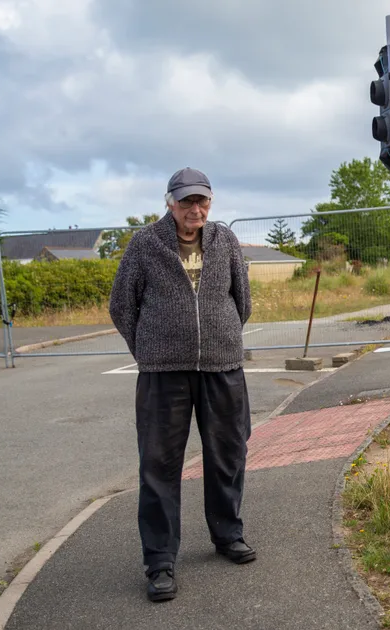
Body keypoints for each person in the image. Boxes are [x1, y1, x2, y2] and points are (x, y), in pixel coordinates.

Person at [109, 167, 255, 602]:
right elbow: (122, 306)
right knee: (158, 466)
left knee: (228, 455)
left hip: (222, 368)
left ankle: (228, 535)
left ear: (210, 202)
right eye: (187, 200)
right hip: (163, 374)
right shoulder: (144, 244)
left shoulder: (225, 240)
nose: (195, 209)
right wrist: (150, 349)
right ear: (170, 202)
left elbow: (242, 301)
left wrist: (220, 337)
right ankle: (159, 562)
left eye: (202, 200)